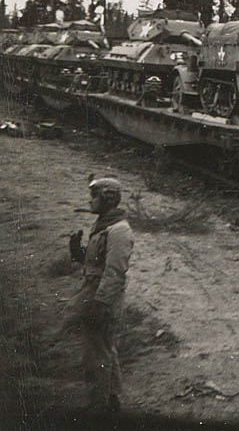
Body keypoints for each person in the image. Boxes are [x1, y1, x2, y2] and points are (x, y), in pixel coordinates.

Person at [65, 176, 134, 413]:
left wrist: (101, 303)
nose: (90, 200)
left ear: (107, 198)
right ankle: (112, 398)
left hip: (102, 298)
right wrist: (79, 252)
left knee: (96, 353)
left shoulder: (118, 231)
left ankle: (98, 405)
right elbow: (98, 261)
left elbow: (115, 271)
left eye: (94, 196)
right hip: (95, 294)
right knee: (104, 347)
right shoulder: (106, 225)